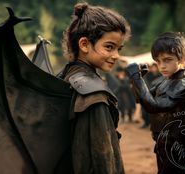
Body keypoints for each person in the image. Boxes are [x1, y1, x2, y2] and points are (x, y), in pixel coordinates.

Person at [57, 2, 130, 174]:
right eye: (109, 47)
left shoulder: (64, 76)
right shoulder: (93, 93)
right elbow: (102, 156)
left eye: (118, 49)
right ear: (84, 44)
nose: (116, 56)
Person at [126, 32, 185, 174]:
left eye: (167, 60)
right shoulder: (163, 82)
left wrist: (136, 78)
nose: (162, 66)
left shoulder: (183, 83)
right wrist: (137, 80)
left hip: (177, 144)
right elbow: (142, 100)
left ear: (182, 58)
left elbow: (154, 106)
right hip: (162, 141)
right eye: (158, 61)